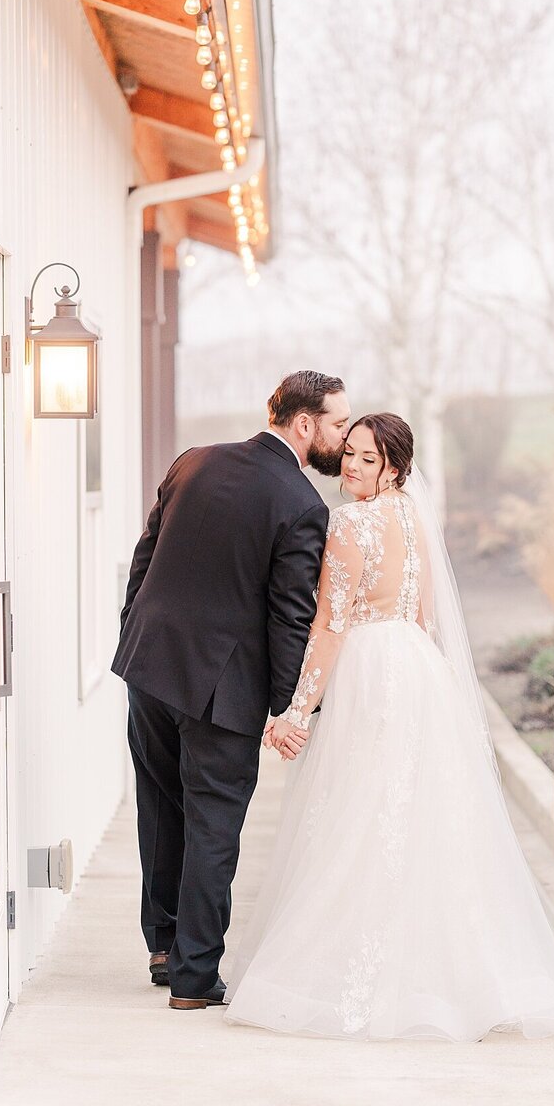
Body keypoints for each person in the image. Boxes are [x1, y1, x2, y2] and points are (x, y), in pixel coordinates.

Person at [224, 413, 554, 1040]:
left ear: (394, 466)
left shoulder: (349, 522)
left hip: (370, 670)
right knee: (417, 817)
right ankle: (442, 976)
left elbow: (330, 627)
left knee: (357, 815)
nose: (353, 468)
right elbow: (424, 613)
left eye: (368, 459)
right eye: (351, 455)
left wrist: (295, 712)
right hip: (417, 667)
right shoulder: (415, 517)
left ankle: (357, 975)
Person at [112, 371, 351, 1007]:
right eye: (335, 423)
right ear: (303, 424)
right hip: (224, 690)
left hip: (151, 665)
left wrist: (133, 631)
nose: (342, 434)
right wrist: (289, 707)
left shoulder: (192, 462)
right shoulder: (302, 505)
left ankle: (164, 947)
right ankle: (193, 978)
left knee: (160, 810)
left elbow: (146, 555)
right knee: (214, 826)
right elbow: (289, 616)